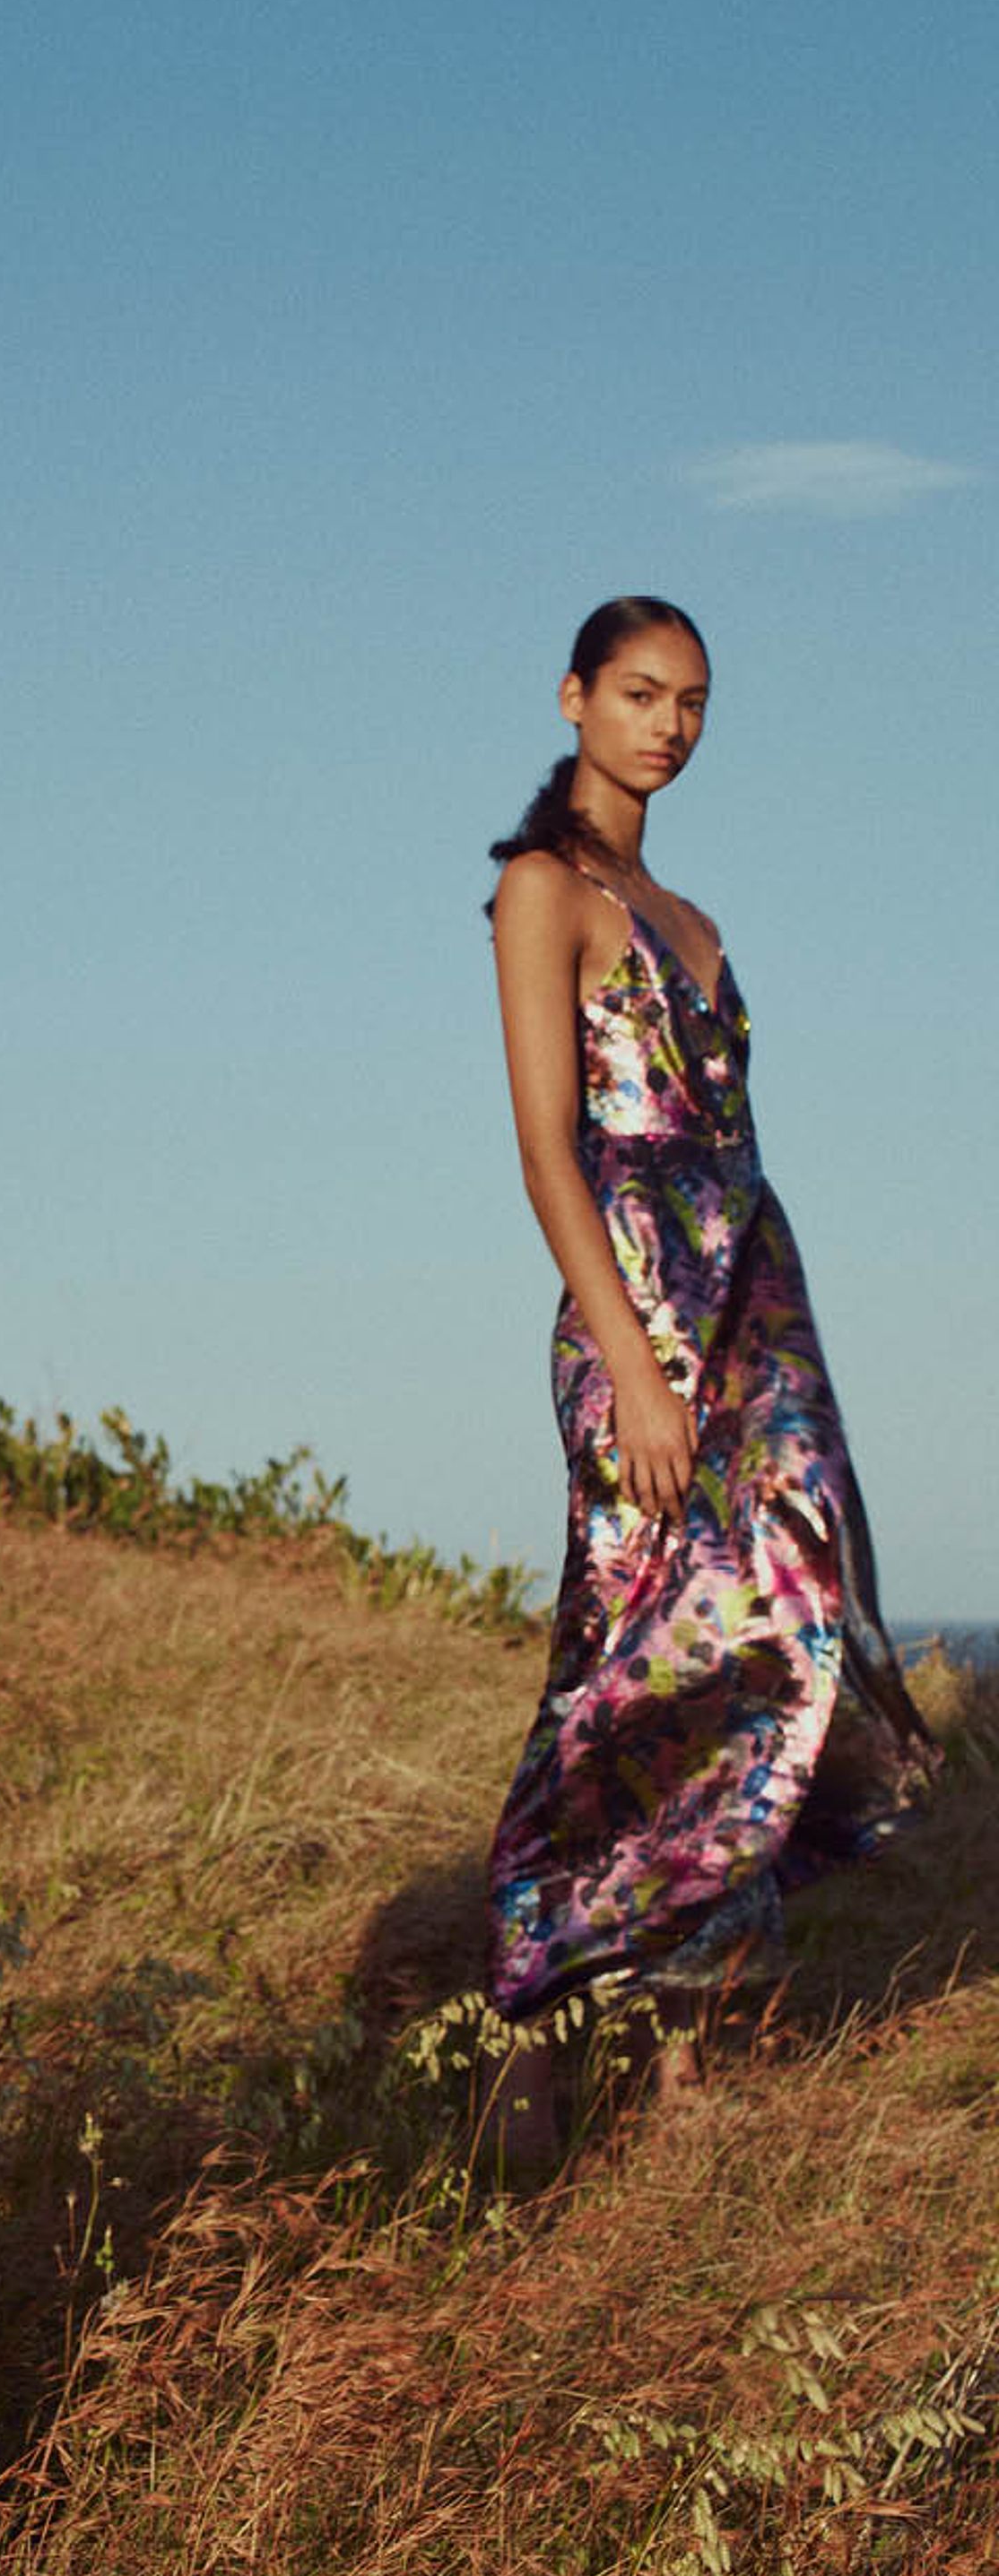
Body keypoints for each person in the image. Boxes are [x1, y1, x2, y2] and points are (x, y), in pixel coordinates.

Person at [478, 596, 934, 2167]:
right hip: (637, 1315)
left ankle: (695, 2056)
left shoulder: (700, 920)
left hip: (756, 1301)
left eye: (692, 701)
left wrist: (756, 1341)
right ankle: (528, 2013)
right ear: (574, 698)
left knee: (776, 1634)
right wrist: (631, 1360)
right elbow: (549, 1148)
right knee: (625, 1650)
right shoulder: (541, 890)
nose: (667, 724)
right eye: (639, 693)